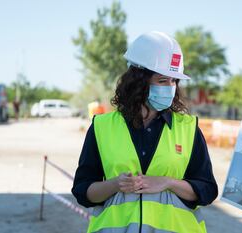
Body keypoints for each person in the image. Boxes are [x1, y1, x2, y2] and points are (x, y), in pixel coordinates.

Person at [72, 31, 218, 233]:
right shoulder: (101, 127)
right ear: (139, 81)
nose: (171, 88)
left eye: (174, 81)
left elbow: (207, 190)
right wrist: (116, 184)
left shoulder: (188, 128)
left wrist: (167, 182)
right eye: (162, 81)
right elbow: (83, 191)